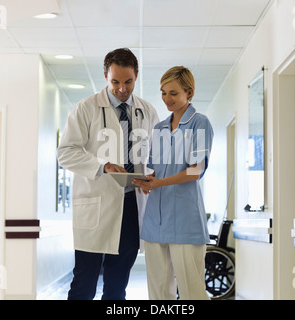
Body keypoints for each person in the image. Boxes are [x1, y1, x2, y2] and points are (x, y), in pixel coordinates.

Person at [57, 48, 159, 300]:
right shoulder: (86, 108)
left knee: (117, 285)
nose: (122, 89)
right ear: (105, 76)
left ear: (136, 76)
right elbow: (66, 153)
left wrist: (153, 176)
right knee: (85, 281)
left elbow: (156, 155)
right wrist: (103, 165)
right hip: (97, 202)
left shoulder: (147, 111)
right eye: (115, 82)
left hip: (132, 205)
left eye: (128, 82)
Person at [133, 66, 213, 300]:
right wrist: (145, 181)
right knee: (158, 293)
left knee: (192, 292)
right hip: (155, 220)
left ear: (189, 92)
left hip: (185, 220)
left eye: (173, 93)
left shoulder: (200, 123)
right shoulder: (158, 129)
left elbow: (196, 170)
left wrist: (159, 183)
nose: (167, 99)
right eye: (163, 93)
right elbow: (155, 170)